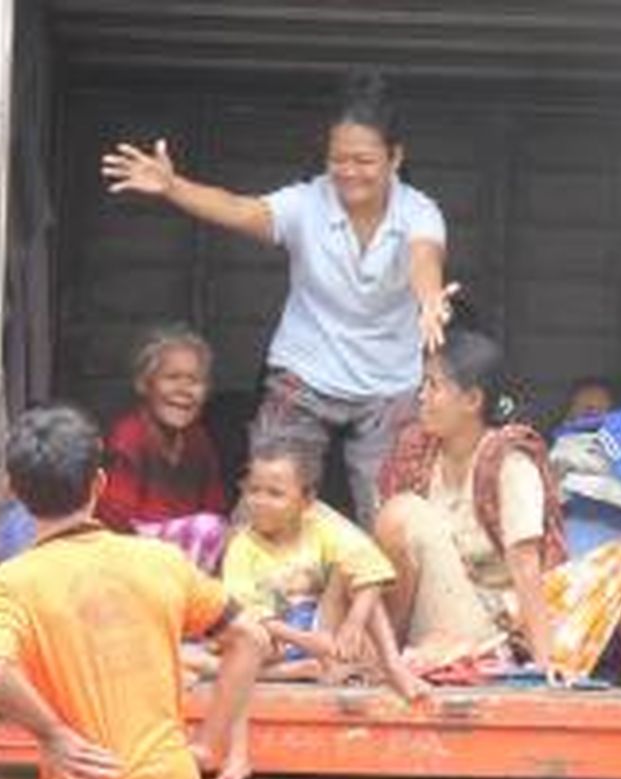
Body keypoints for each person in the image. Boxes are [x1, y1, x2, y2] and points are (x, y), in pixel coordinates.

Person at [100, 71, 454, 529]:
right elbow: (239, 209)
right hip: (305, 371)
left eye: (364, 160)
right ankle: (246, 596)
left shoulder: (419, 210)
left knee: (390, 516)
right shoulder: (306, 204)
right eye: (338, 160)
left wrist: (428, 301)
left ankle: (380, 602)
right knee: (266, 498)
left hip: (389, 382)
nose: (349, 172)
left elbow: (424, 257)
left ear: (395, 157)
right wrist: (172, 187)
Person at [0, 404, 268, 779]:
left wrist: (54, 735)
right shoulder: (159, 560)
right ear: (99, 484)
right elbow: (251, 637)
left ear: (14, 489)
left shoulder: (12, 583)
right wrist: (210, 742)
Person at [374, 329, 567, 671]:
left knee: (401, 514)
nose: (421, 396)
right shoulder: (417, 453)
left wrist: (546, 663)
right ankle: (386, 656)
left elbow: (526, 566)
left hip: (493, 626)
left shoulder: (508, 462)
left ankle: (386, 658)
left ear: (472, 400)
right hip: (427, 617)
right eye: (423, 385)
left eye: (434, 386)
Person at [221, 431, 427, 700]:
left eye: (275, 494)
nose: (261, 502)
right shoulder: (242, 546)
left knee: (353, 571)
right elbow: (247, 613)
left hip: (324, 633)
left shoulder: (321, 526)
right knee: (242, 635)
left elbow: (369, 568)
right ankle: (294, 670)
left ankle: (393, 665)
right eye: (253, 491)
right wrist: (303, 640)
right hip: (276, 640)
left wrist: (354, 622)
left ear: (307, 501)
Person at [97, 325, 229, 572]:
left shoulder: (197, 439)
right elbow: (115, 523)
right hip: (132, 553)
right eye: (172, 378)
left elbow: (216, 506)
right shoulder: (130, 436)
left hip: (185, 554)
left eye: (195, 381)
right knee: (207, 529)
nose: (184, 390)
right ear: (144, 384)